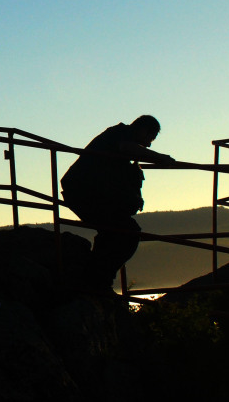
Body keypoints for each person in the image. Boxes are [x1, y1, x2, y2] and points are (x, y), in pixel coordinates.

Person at [61, 115, 176, 293]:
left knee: (115, 232)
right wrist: (160, 158)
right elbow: (127, 147)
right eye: (150, 138)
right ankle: (97, 281)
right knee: (127, 233)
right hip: (83, 193)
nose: (148, 145)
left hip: (86, 193)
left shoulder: (118, 140)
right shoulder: (119, 134)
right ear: (143, 130)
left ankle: (96, 280)